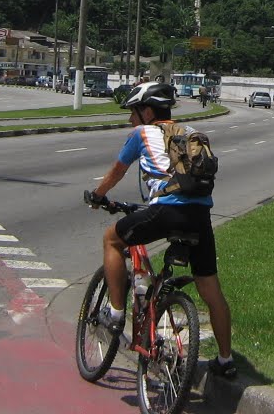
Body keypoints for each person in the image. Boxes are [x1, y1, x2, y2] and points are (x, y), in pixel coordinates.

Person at [88, 81, 236, 379]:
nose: (130, 119)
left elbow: (117, 171)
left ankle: (115, 314)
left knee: (112, 240)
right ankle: (226, 359)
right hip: (200, 214)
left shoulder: (141, 133)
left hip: (167, 210)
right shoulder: (187, 134)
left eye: (132, 112)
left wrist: (98, 195)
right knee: (211, 290)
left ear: (146, 110)